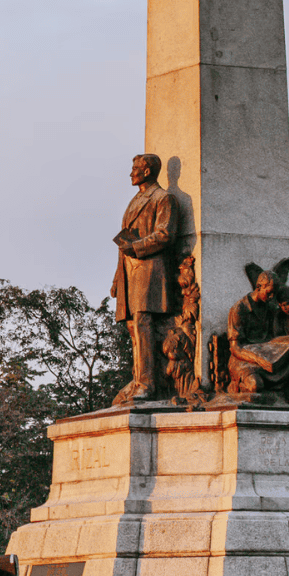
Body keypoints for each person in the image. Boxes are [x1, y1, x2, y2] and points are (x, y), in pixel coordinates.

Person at [111, 154, 178, 403]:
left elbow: (165, 234)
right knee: (132, 326)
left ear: (148, 171)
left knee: (142, 322)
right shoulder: (135, 200)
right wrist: (118, 279)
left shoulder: (163, 198)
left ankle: (147, 383)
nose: (131, 173)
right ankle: (139, 377)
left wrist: (137, 247)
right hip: (130, 271)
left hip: (149, 268)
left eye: (135, 168)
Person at [227, 271, 289, 406]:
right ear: (259, 287)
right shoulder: (239, 309)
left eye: (274, 294)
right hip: (245, 358)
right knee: (255, 385)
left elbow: (279, 335)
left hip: (270, 354)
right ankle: (236, 387)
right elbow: (235, 348)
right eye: (269, 292)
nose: (272, 297)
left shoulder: (272, 308)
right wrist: (258, 359)